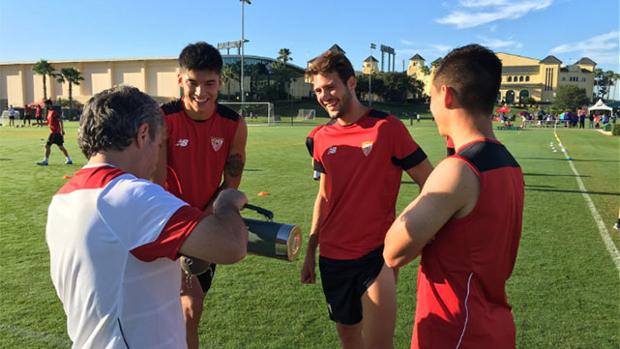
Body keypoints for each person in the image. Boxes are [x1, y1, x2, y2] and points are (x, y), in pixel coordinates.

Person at [46, 85, 249, 348]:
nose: (158, 154)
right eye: (159, 141)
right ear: (143, 134)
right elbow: (230, 246)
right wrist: (227, 202)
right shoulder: (130, 195)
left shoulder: (63, 199)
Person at [383, 44, 524, 349]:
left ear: (446, 96)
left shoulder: (458, 171)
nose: (429, 107)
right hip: (494, 324)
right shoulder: (510, 164)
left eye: (430, 97)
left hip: (457, 332)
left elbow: (393, 250)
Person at [301, 50, 433, 349]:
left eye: (330, 87)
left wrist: (403, 229)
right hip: (332, 257)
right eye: (318, 90)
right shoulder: (319, 137)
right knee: (349, 341)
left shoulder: (387, 128)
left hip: (377, 255)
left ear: (351, 82)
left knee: (377, 344)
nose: (324, 96)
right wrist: (311, 250)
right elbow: (324, 196)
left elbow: (431, 183)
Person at [152, 41, 248, 349]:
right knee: (168, 311)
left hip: (206, 225)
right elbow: (154, 183)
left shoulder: (233, 124)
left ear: (221, 81)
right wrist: (180, 229)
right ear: (180, 79)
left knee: (190, 312)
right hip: (163, 223)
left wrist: (201, 226)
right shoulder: (162, 119)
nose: (200, 92)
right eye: (192, 83)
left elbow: (230, 185)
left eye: (209, 83)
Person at [36, 100, 73, 165]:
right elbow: (48, 123)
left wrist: (62, 130)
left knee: (47, 146)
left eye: (45, 105)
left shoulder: (54, 112)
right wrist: (39, 124)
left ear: (49, 105)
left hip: (55, 132)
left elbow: (60, 120)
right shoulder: (49, 112)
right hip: (55, 132)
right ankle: (69, 159)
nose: (44, 106)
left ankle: (45, 161)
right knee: (61, 147)